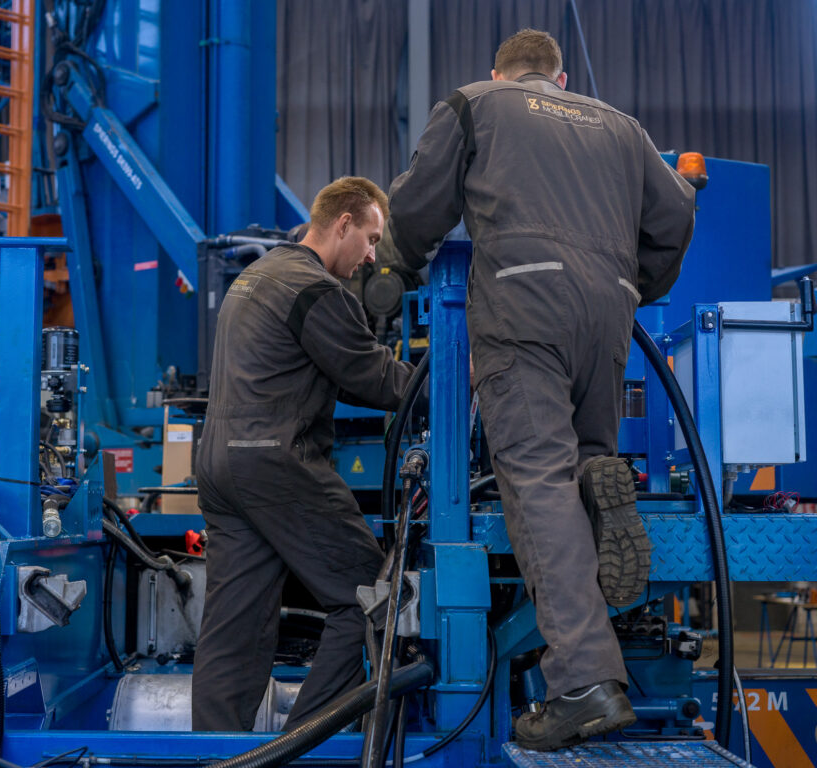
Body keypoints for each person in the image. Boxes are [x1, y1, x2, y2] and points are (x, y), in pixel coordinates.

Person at [388, 29, 694, 750]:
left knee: (537, 480)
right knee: (584, 456)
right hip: (608, 313)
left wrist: (395, 268)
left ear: (500, 73)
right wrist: (636, 285)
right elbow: (678, 215)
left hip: (524, 308)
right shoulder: (622, 126)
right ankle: (600, 487)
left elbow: (416, 209)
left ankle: (584, 684)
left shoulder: (476, 102)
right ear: (560, 80)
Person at [192, 177, 418, 732]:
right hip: (276, 465)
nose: (372, 257)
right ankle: (303, 743)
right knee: (373, 597)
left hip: (220, 465)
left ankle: (216, 753)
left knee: (234, 626)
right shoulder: (315, 289)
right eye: (370, 239)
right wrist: (458, 378)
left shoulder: (256, 275)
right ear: (343, 223)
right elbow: (375, 378)